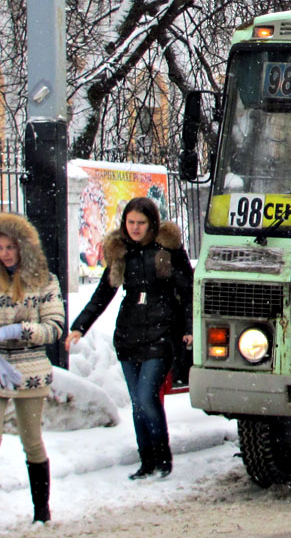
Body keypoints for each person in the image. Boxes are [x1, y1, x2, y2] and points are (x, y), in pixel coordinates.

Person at [66, 197, 193, 480]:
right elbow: (103, 293)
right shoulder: (120, 252)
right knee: (138, 402)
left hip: (162, 332)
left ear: (152, 223)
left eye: (141, 223)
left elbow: (188, 292)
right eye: (130, 222)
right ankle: (146, 461)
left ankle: (163, 458)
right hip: (129, 333)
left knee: (148, 397)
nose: (135, 228)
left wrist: (189, 328)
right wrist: (79, 326)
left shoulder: (168, 249)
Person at [0, 212, 65, 523]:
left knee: (32, 440)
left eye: (10, 247)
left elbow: (54, 327)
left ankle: (42, 511)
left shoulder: (44, 280)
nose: (5, 254)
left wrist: (21, 330)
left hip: (31, 368)